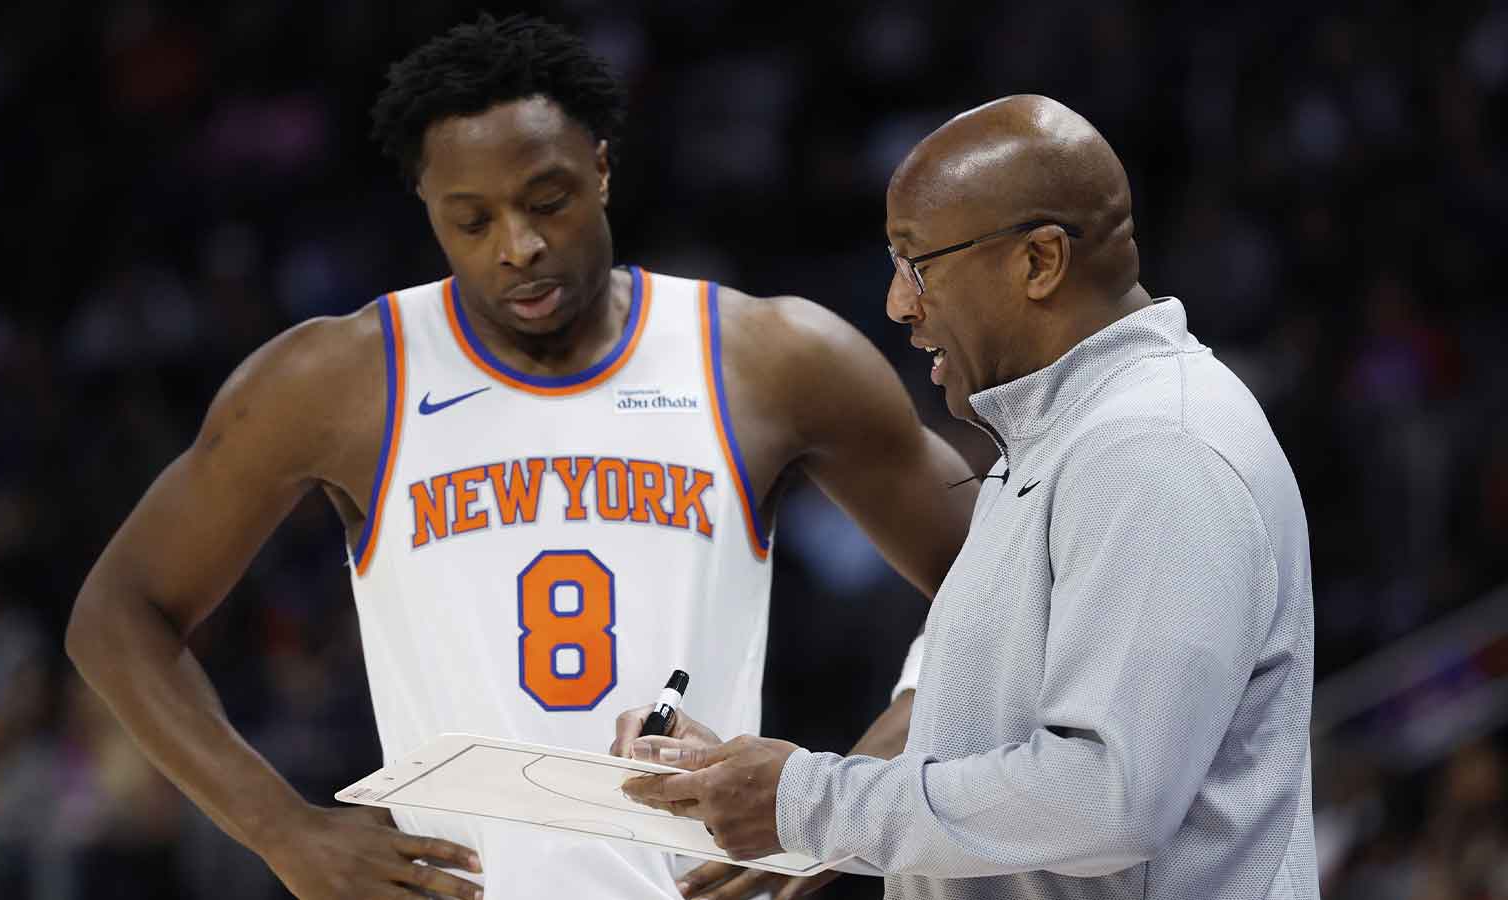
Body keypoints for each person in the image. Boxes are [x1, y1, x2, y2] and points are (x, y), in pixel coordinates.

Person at [64, 14, 982, 900]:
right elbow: (118, 616)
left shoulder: (768, 357)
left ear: (603, 170)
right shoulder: (337, 380)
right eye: (472, 220)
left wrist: (840, 802)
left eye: (548, 202)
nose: (521, 246)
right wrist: (281, 830)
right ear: (427, 209)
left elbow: (1004, 581)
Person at [620, 94, 1320, 900]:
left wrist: (809, 803)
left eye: (917, 265)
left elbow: (1106, 797)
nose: (898, 304)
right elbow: (971, 733)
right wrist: (760, 788)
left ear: (1038, 262)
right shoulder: (1059, 435)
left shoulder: (1157, 447)